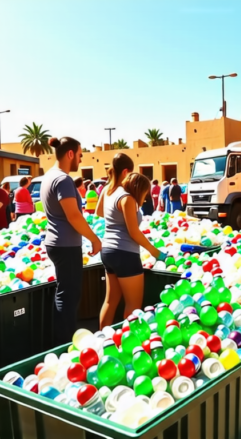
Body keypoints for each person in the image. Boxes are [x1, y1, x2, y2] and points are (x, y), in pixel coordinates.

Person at [41, 136, 102, 345]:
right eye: (80, 155)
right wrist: (94, 239)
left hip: (56, 242)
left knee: (64, 292)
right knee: (69, 296)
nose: (81, 159)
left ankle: (60, 339)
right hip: (65, 245)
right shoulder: (63, 180)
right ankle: (64, 343)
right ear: (70, 154)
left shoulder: (49, 176)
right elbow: (73, 215)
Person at [97, 168, 161, 328]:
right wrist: (155, 252)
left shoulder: (110, 193)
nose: (145, 197)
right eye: (145, 193)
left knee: (110, 301)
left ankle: (102, 340)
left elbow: (99, 212)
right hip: (125, 254)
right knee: (133, 305)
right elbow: (133, 232)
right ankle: (127, 343)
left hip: (108, 251)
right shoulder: (128, 199)